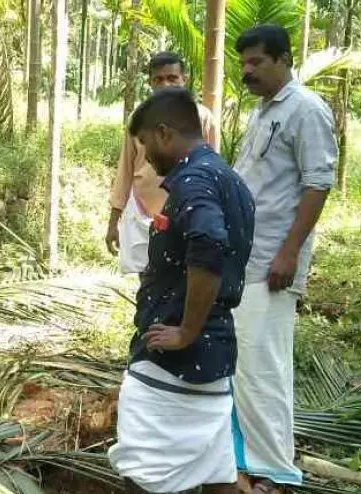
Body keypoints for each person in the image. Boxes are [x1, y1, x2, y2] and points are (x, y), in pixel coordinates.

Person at [107, 88, 255, 494]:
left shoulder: (194, 181)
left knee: (142, 469)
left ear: (164, 133)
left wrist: (186, 330)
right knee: (215, 469)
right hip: (216, 352)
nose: (147, 158)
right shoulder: (229, 179)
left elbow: (208, 243)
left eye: (146, 145)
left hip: (175, 357)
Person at [231, 25, 337, 494]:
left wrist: (289, 251)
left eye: (256, 61)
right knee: (243, 365)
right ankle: (244, 461)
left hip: (274, 260)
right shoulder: (262, 113)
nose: (246, 70)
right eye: (244, 62)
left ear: (283, 59)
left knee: (264, 367)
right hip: (245, 258)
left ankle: (275, 472)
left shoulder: (306, 110)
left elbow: (318, 184)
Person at [106, 52, 218, 274]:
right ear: (150, 83)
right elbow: (125, 171)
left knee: (179, 280)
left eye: (172, 78)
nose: (165, 84)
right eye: (158, 79)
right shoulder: (138, 120)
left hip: (185, 215)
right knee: (139, 282)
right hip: (139, 213)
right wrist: (113, 223)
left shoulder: (202, 119)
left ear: (183, 80)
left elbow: (211, 168)